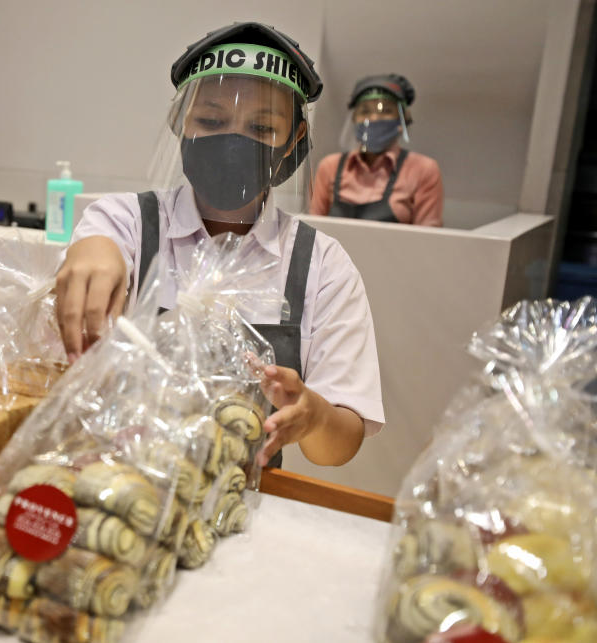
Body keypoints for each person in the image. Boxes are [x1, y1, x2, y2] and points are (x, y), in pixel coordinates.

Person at [54, 22, 384, 468]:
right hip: (118, 484)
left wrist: (315, 415)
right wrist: (93, 250)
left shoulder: (321, 265)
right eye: (209, 121)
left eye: (263, 127)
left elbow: (339, 447)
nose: (232, 141)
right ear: (180, 122)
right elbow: (95, 255)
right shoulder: (127, 222)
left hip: (239, 501)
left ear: (293, 143)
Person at [310, 74, 443, 225]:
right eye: (365, 111)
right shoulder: (330, 167)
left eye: (385, 110)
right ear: (354, 118)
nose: (373, 118)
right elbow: (313, 228)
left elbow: (429, 241)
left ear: (402, 119)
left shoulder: (423, 170)